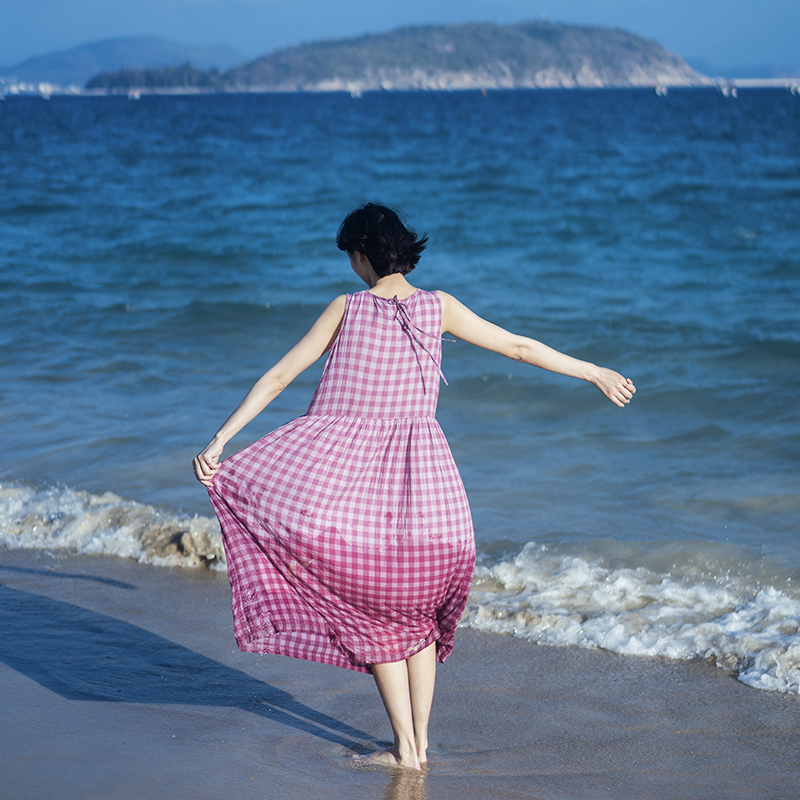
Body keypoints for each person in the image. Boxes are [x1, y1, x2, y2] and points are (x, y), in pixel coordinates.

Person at [193, 203, 635, 770]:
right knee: (417, 610)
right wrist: (593, 371)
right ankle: (419, 746)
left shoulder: (346, 308)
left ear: (360, 256)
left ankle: (404, 750)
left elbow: (281, 375)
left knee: (373, 607)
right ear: (402, 250)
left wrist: (221, 440)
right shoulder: (439, 307)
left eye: (350, 257)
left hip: (352, 486)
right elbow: (520, 347)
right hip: (427, 487)